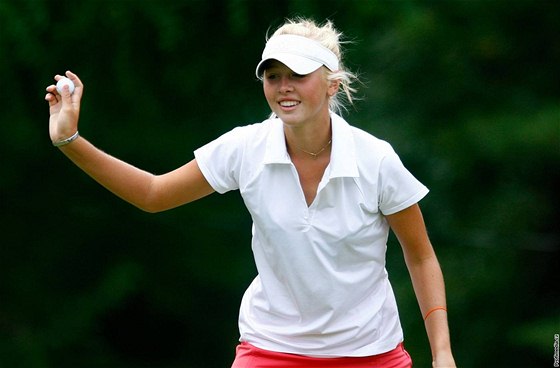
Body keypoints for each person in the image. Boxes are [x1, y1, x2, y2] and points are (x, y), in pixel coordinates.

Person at [45, 18, 456, 368]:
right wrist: (71, 142)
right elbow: (154, 194)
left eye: (298, 75)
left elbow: (420, 256)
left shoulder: (376, 159)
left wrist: (442, 354)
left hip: (371, 353)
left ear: (332, 85)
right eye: (273, 76)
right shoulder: (246, 147)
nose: (284, 87)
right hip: (271, 349)